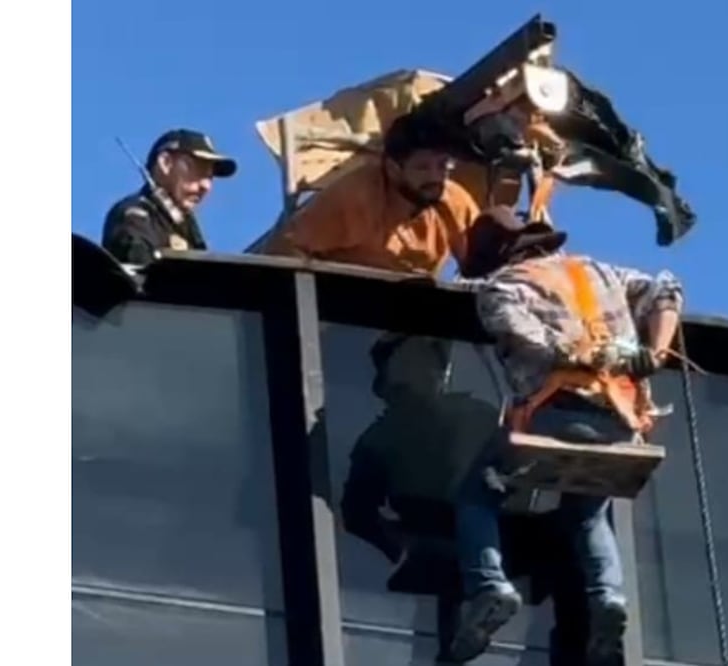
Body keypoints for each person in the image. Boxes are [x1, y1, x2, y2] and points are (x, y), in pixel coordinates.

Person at [447, 206, 685, 664]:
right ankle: (608, 596)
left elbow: (529, 338)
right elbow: (666, 290)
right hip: (620, 424)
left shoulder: (503, 287)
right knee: (587, 514)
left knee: (478, 495)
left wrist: (581, 353)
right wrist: (654, 353)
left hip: (556, 417)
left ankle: (490, 586)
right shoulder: (599, 272)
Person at [259, 112, 481, 276]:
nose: (435, 177)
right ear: (393, 169)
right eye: (422, 167)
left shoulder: (453, 201)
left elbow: (484, 264)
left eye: (443, 165)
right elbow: (284, 251)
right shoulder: (354, 198)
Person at [102, 129, 237, 264]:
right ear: (166, 163)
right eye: (198, 170)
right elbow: (141, 270)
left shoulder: (189, 230)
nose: (206, 186)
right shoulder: (135, 217)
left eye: (210, 177)